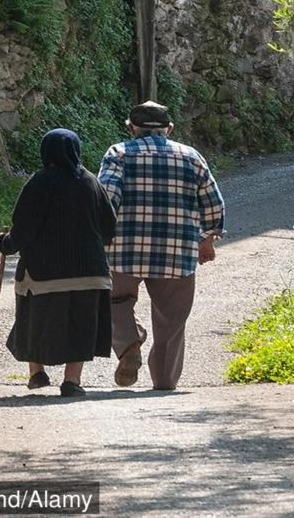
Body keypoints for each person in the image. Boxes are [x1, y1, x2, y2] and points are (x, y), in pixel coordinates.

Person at [97, 101, 226, 391]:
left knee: (112, 302)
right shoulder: (191, 157)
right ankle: (165, 382)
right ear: (169, 129)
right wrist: (208, 239)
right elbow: (213, 203)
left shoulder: (119, 153)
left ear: (131, 128)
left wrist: (96, 236)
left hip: (123, 250)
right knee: (172, 319)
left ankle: (129, 343)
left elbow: (106, 199)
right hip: (177, 253)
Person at [0, 128, 118, 397]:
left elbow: (23, 229)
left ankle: (37, 373)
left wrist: (6, 244)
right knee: (81, 325)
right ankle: (72, 381)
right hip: (90, 273)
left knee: (32, 318)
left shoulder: (39, 182)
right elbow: (109, 228)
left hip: (43, 274)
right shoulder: (91, 182)